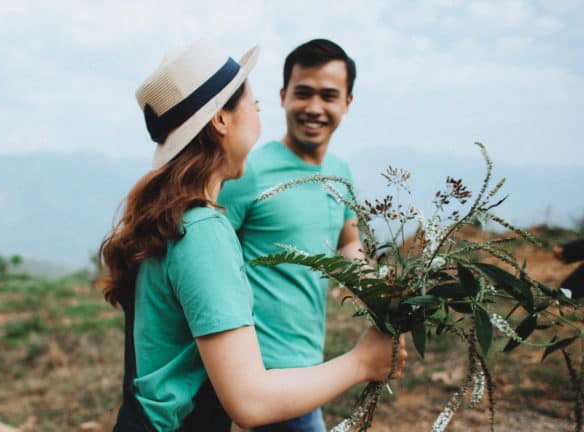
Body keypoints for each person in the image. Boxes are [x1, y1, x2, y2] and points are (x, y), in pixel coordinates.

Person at [98, 40, 406, 432]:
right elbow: (251, 401)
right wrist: (363, 361)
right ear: (221, 120)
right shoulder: (204, 232)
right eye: (253, 103)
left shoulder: (179, 218)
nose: (259, 112)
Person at [217, 38, 362, 432]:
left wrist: (373, 286)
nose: (314, 108)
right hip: (263, 372)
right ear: (283, 96)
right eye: (303, 93)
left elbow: (348, 241)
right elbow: (210, 257)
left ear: (347, 102)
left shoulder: (340, 173)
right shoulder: (248, 173)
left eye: (329, 96)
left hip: (309, 366)